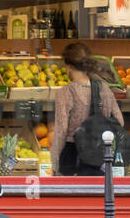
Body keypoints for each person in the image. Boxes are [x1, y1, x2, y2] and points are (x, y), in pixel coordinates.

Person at [49, 42, 124, 176]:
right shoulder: (104, 89)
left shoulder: (66, 92)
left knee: (76, 194)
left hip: (73, 157)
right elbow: (120, 121)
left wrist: (54, 165)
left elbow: (61, 131)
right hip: (99, 155)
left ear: (69, 67)